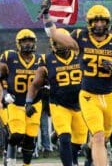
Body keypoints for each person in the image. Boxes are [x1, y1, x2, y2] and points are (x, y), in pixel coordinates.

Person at [43, 4, 112, 166]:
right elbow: (55, 35)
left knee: (103, 138)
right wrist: (47, 17)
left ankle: (89, 150)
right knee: (98, 136)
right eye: (95, 21)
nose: (99, 24)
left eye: (102, 21)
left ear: (108, 23)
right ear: (89, 23)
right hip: (88, 96)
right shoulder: (81, 37)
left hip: (109, 96)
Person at [25, 28, 88, 166]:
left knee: (79, 142)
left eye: (63, 41)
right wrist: (28, 102)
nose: (61, 45)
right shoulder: (46, 60)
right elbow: (35, 85)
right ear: (53, 43)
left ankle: (63, 145)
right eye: (58, 42)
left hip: (80, 104)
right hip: (58, 104)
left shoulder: (80, 55)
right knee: (65, 137)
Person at [0, 29, 42, 166]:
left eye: (30, 41)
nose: (27, 44)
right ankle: (10, 159)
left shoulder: (41, 60)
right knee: (17, 134)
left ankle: (26, 164)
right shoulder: (9, 57)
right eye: (24, 41)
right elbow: (0, 78)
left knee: (30, 139)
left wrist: (46, 89)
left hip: (34, 104)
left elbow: (45, 81)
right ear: (18, 43)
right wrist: (5, 92)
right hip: (15, 102)